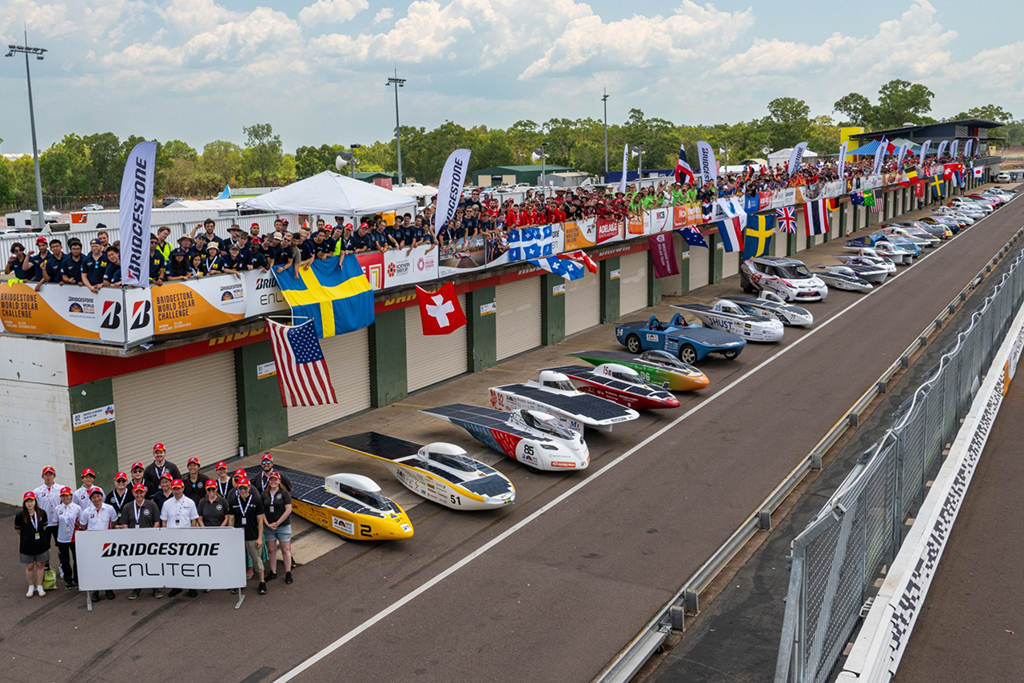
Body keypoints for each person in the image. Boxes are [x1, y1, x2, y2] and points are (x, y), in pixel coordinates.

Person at [118, 483, 163, 600]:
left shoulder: (152, 505)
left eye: (141, 492)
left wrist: (151, 535)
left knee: (152, 564)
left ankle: (155, 587)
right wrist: (130, 537)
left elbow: (157, 522)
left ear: (144, 493)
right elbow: (124, 524)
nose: (139, 495)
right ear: (133, 493)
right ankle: (137, 588)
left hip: (149, 541)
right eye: (136, 492)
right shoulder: (128, 507)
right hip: (134, 542)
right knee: (136, 565)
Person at [226, 478, 267, 595]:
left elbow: (260, 521)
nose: (243, 490)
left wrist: (259, 538)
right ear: (237, 488)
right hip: (239, 536)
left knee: (256, 560)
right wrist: (231, 536)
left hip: (252, 535)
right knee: (239, 561)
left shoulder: (256, 500)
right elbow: (231, 520)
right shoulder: (233, 501)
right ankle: (239, 583)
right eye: (240, 488)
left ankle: (262, 582)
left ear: (249, 488)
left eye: (245, 487)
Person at [162, 479, 200, 598]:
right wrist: (165, 536)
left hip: (186, 537)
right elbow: (164, 521)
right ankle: (176, 586)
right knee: (175, 563)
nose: (176, 491)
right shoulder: (167, 504)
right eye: (174, 489)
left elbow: (194, 520)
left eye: (178, 488)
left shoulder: (190, 503)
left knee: (188, 563)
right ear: (171, 489)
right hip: (172, 538)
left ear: (183, 488)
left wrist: (192, 535)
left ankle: (192, 587)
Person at [79, 487, 117, 601]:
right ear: (91, 499)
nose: (97, 499)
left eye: (98, 496)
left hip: (106, 542)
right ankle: (95, 591)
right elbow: (83, 525)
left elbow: (114, 521)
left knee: (106, 566)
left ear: (102, 497)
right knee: (95, 567)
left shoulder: (109, 508)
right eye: (94, 497)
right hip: (93, 543)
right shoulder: (86, 511)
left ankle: (108, 589)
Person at [16, 492, 51, 598]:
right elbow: (18, 530)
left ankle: (39, 586)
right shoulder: (20, 516)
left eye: (31, 501)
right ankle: (31, 586)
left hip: (40, 544)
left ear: (35, 501)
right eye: (27, 501)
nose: (29, 504)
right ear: (24, 503)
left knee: (40, 565)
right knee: (29, 566)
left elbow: (44, 527)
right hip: (27, 545)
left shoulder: (42, 513)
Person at [262, 472, 293, 584]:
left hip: (283, 526)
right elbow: (261, 511)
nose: (273, 482)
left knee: (285, 549)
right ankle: (273, 571)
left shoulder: (284, 493)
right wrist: (267, 524)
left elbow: (288, 510)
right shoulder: (264, 494)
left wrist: (277, 523)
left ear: (279, 481)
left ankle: (288, 572)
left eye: (275, 480)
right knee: (271, 550)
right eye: (271, 480)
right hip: (269, 527)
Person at [33, 466, 62, 566]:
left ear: (54, 476)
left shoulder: (61, 489)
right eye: (46, 475)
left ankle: (62, 565)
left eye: (51, 475)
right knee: (44, 548)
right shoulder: (37, 491)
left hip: (58, 523)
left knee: (61, 547)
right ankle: (47, 566)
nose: (48, 477)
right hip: (45, 524)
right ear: (42, 476)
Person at [53, 486, 80, 590]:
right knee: (64, 560)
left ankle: (77, 579)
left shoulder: (77, 508)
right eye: (63, 496)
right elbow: (57, 522)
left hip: (74, 537)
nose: (65, 498)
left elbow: (80, 522)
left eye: (67, 495)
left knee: (76, 559)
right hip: (62, 538)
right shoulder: (58, 508)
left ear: (71, 496)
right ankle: (68, 580)